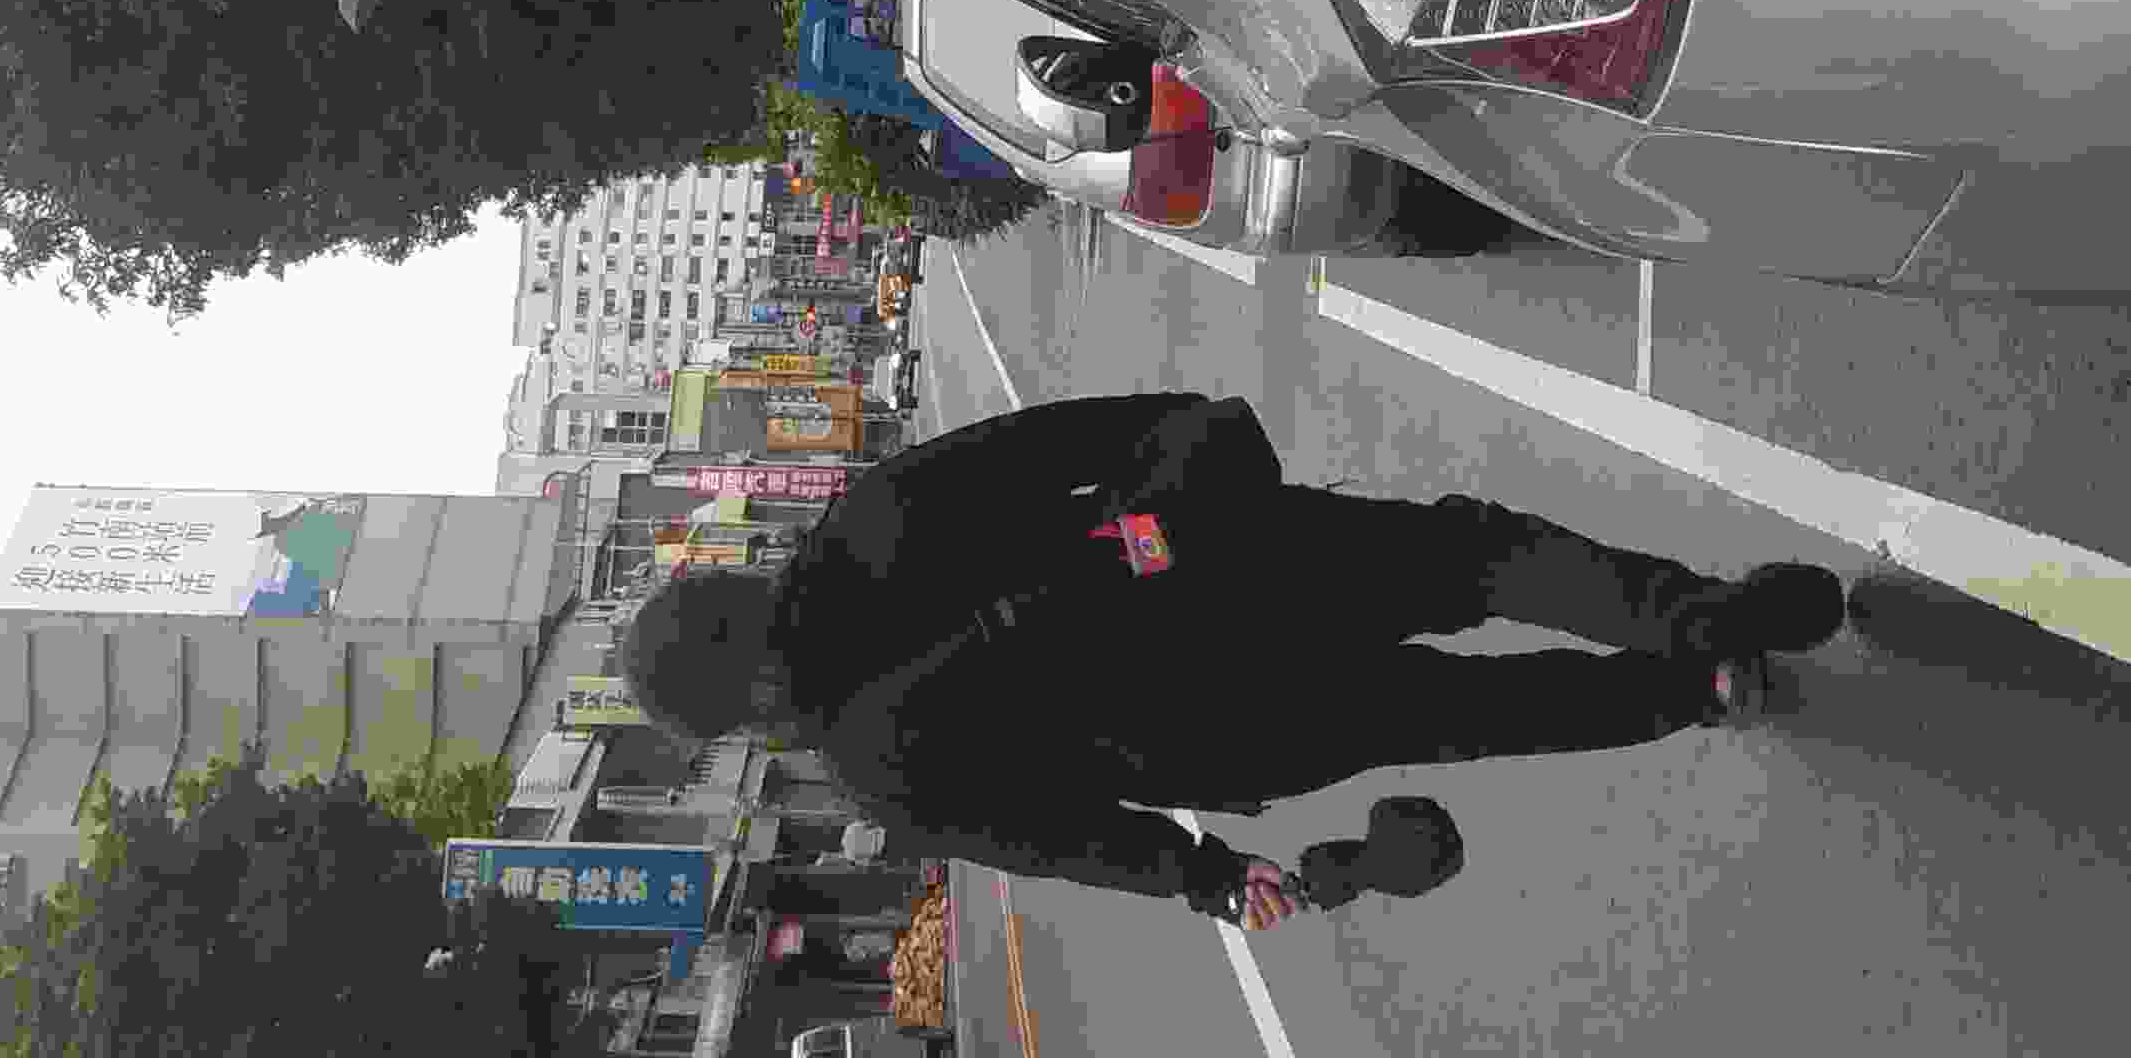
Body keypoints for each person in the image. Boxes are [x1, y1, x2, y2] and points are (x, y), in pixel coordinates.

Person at [614, 391, 1850, 928]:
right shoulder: (872, 518)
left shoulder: (874, 765)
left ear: (743, 707)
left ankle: (1695, 689)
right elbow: (1098, 435)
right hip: (1232, 564)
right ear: (741, 590)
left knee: (1468, 711)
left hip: (1233, 733)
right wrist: (1151, 524)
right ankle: (1689, 615)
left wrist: (1206, 877)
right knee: (1479, 559)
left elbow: (1056, 837)